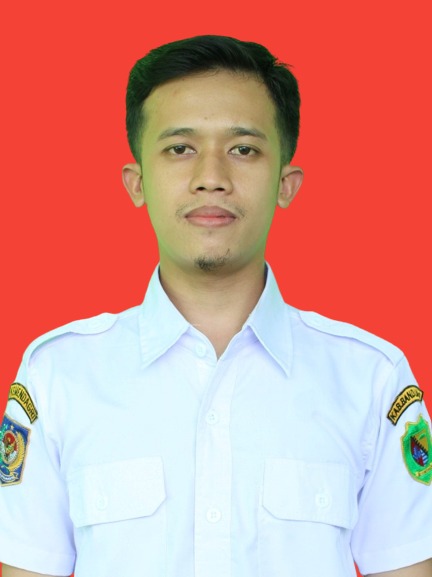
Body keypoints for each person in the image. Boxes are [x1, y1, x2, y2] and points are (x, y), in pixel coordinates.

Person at [0, 35, 431, 577]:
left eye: (243, 149)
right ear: (137, 182)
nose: (211, 178)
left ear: (286, 184)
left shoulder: (371, 379)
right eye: (180, 148)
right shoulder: (57, 376)